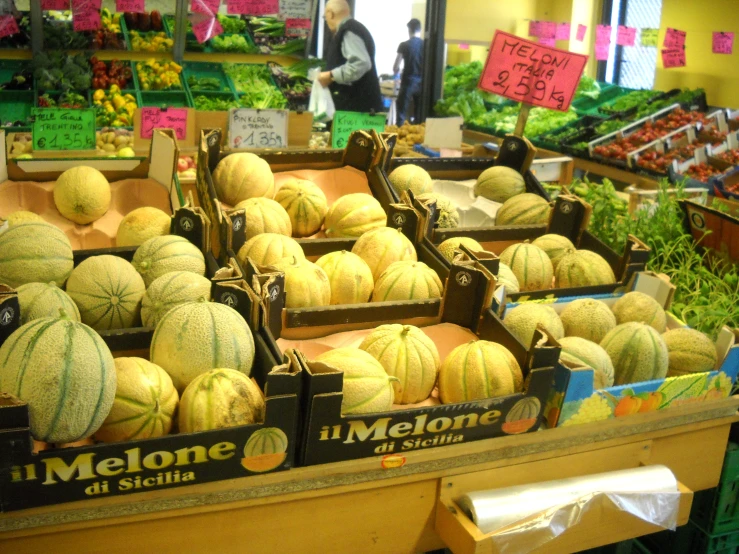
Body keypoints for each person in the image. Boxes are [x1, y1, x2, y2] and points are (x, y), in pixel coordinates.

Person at [318, 0, 383, 114]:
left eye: (325, 17)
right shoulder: (357, 29)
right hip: (361, 107)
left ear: (330, 14)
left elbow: (361, 63)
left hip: (356, 109)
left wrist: (331, 75)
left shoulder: (348, 31)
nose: (326, 20)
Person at [393, 18, 424, 125]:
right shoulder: (425, 45)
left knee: (401, 113)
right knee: (419, 115)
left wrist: (397, 73)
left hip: (408, 82)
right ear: (420, 29)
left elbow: (396, 66)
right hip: (421, 83)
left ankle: (400, 135)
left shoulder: (404, 45)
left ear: (409, 30)